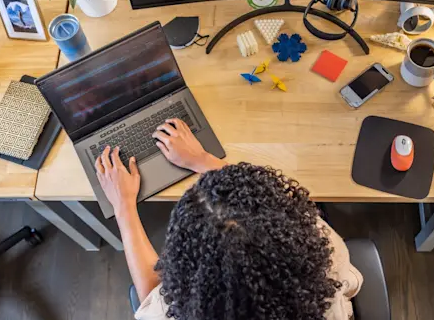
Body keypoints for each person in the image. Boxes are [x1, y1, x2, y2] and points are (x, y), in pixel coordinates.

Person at [95, 118, 363, 320]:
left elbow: (152, 296)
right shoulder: (327, 253)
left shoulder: (177, 313)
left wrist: (123, 205)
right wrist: (203, 159)